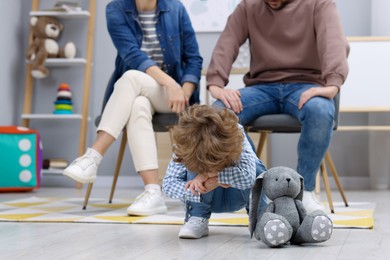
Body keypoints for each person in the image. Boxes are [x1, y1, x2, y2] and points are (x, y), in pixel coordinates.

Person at [206, 0, 349, 213]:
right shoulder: (248, 6)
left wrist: (332, 84)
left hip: (305, 85)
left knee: (320, 110)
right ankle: (255, 188)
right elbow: (227, 43)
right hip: (262, 88)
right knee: (218, 113)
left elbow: (333, 42)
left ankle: (305, 191)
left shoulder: (319, 3)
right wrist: (216, 84)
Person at [63, 0, 203, 216]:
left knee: (130, 78)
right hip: (142, 91)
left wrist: (182, 91)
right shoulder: (115, 9)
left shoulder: (176, 8)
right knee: (137, 104)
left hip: (174, 97)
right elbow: (132, 55)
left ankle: (93, 157)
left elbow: (193, 58)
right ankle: (153, 192)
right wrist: (169, 83)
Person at [163, 104, 266, 239]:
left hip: (238, 193)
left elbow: (248, 176)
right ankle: (197, 217)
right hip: (204, 199)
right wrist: (201, 185)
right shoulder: (185, 144)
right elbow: (168, 185)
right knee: (191, 169)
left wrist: (213, 178)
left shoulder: (236, 132)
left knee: (256, 168)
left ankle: (260, 218)